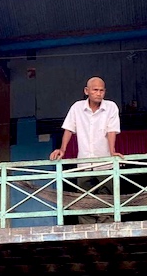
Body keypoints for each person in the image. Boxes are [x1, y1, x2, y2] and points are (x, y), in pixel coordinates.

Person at [49, 76, 123, 223]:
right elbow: (69, 129)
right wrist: (62, 150)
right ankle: (87, 233)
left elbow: (111, 131)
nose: (98, 93)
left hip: (105, 164)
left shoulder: (111, 107)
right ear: (86, 91)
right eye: (95, 90)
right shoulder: (77, 107)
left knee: (107, 199)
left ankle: (106, 231)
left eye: (101, 90)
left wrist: (112, 152)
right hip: (84, 164)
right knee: (83, 199)